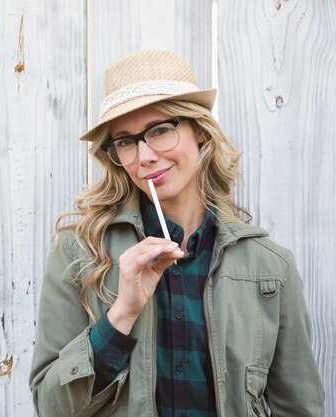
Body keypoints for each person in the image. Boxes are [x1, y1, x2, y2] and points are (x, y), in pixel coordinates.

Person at [29, 50, 324, 417]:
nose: (144, 156)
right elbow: (50, 407)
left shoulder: (270, 267)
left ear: (199, 130)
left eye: (161, 130)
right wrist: (122, 312)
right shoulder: (79, 252)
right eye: (125, 140)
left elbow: (298, 407)